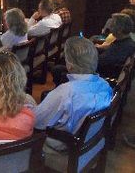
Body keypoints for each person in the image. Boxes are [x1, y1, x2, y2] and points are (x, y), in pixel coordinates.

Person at [33, 37, 112, 171]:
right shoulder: (106, 85)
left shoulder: (66, 92)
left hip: (64, 146)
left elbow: (36, 122)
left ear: (69, 65)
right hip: (91, 141)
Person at [98, 13, 135, 78]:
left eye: (112, 26)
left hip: (104, 77)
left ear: (120, 30)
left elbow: (102, 62)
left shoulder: (124, 47)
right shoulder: (123, 42)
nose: (109, 28)